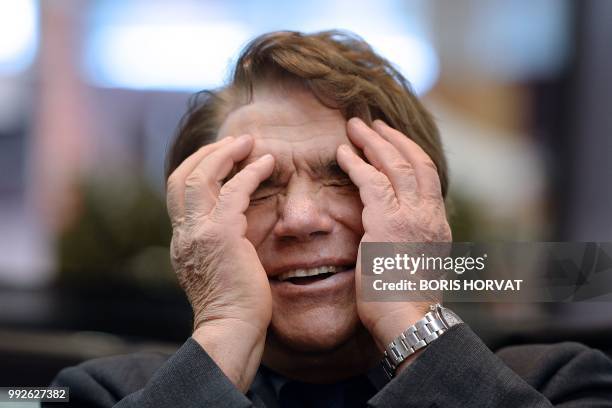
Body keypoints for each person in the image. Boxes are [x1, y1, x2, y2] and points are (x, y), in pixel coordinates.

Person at [46, 30, 612, 407]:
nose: (299, 218)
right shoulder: (100, 393)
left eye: (344, 176)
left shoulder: (559, 382)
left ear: (426, 208)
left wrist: (412, 321)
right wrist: (224, 335)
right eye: (257, 188)